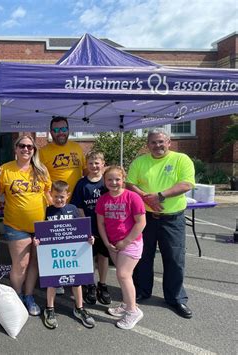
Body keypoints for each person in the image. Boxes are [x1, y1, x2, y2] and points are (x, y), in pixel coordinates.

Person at [126, 128, 195, 319]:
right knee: (142, 257)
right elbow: (130, 183)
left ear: (169, 142)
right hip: (145, 218)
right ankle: (141, 291)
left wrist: (160, 196)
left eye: (161, 142)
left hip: (172, 218)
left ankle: (175, 298)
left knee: (174, 259)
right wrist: (147, 199)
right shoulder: (140, 161)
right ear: (147, 145)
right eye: (153, 142)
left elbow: (187, 184)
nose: (157, 146)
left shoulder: (181, 159)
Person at [0, 135, 52, 316]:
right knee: (21, 264)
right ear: (16, 149)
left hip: (40, 226)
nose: (26, 149)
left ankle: (28, 296)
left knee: (34, 263)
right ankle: (16, 296)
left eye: (30, 147)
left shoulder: (41, 170)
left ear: (34, 150)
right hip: (16, 226)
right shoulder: (5, 170)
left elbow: (48, 194)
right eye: (22, 146)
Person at [39, 116, 86, 295]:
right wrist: (49, 200)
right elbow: (40, 179)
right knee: (56, 244)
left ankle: (75, 278)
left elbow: (85, 172)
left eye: (63, 129)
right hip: (55, 203)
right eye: (57, 130)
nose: (61, 133)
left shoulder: (76, 148)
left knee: (73, 243)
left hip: (75, 203)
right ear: (51, 132)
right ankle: (55, 279)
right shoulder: (43, 152)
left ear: (68, 129)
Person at [96, 166, 146, 330]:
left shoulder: (132, 197)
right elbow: (101, 223)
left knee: (123, 275)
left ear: (123, 179)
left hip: (130, 243)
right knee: (123, 276)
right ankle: (126, 304)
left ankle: (133, 311)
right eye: (109, 179)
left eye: (117, 179)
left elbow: (141, 223)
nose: (113, 182)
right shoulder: (103, 199)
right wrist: (106, 242)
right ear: (105, 181)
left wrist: (125, 242)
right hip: (113, 244)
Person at [42, 180, 95, 330]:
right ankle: (50, 309)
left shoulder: (73, 209)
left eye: (62, 197)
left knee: (76, 281)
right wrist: (38, 241)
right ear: (51, 195)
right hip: (54, 254)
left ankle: (79, 308)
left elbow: (81, 230)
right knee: (52, 281)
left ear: (68, 195)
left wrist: (89, 238)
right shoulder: (47, 210)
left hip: (72, 254)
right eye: (56, 196)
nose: (59, 200)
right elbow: (42, 230)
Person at [71, 151, 111, 305]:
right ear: (86, 165)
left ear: (102, 164)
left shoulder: (107, 182)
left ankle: (102, 284)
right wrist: (84, 225)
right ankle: (91, 284)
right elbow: (79, 206)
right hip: (89, 226)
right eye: (90, 163)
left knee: (103, 256)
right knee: (89, 257)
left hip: (105, 227)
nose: (94, 166)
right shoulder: (82, 183)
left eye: (97, 163)